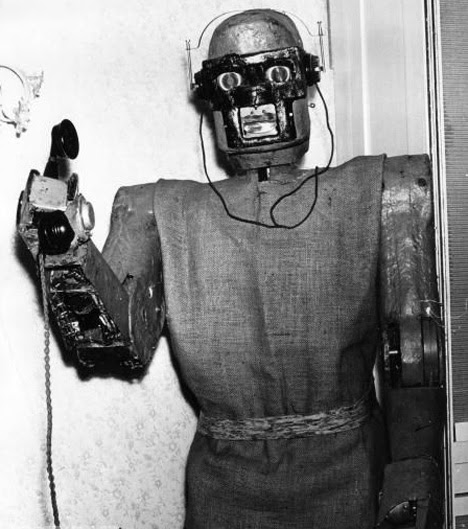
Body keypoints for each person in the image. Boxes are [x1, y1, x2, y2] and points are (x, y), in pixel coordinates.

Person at [17, 9, 444, 528]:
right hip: (226, 485)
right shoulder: (158, 208)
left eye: (277, 73)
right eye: (231, 82)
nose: (256, 98)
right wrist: (66, 250)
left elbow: (417, 356)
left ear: (306, 84)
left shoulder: (385, 189)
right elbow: (115, 342)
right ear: (212, 101)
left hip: (352, 475)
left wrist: (413, 477)